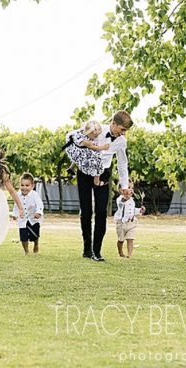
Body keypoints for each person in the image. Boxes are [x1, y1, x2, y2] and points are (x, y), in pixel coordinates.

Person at [77, 111, 133, 262]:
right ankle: (87, 249)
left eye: (125, 131)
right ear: (114, 123)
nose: (123, 133)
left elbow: (122, 163)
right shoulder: (96, 128)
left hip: (103, 173)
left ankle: (97, 251)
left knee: (101, 212)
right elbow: (78, 138)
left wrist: (124, 185)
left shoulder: (121, 141)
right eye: (122, 129)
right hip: (85, 172)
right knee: (86, 211)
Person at [63, 120, 110, 187]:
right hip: (82, 152)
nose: (96, 138)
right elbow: (94, 148)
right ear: (90, 133)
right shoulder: (86, 142)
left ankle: (71, 167)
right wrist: (103, 147)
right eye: (95, 136)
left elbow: (85, 124)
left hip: (76, 150)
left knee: (78, 156)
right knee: (98, 161)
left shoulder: (81, 132)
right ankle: (96, 181)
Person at [13, 172, 44, 255]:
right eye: (22, 185)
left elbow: (39, 204)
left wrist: (39, 212)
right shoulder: (17, 195)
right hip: (22, 219)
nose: (24, 188)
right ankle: (26, 251)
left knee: (35, 236)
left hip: (33, 219)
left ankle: (36, 243)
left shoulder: (35, 195)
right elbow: (16, 205)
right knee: (23, 237)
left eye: (27, 185)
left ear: (32, 186)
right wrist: (15, 214)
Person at [114, 179, 145, 258]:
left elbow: (132, 210)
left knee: (130, 239)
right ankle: (120, 251)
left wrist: (140, 210)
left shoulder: (132, 201)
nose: (131, 190)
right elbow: (121, 203)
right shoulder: (119, 199)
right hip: (121, 223)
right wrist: (125, 198)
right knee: (121, 240)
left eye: (132, 188)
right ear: (121, 190)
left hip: (131, 223)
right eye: (128, 187)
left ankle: (129, 254)